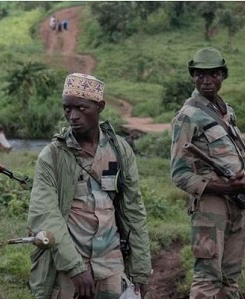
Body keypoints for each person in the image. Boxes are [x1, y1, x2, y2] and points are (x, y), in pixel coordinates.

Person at [27, 73, 152, 299]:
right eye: (67, 109)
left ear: (99, 106)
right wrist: (75, 267)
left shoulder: (120, 151)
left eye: (81, 108)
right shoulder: (52, 156)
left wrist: (141, 269)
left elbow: (133, 210)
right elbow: (44, 214)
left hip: (111, 265)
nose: (72, 116)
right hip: (68, 266)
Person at [170, 47, 245, 299]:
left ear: (223, 75)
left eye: (213, 74)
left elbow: (243, 156)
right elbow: (179, 174)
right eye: (200, 74)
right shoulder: (187, 117)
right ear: (193, 76)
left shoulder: (226, 111)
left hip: (238, 205)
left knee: (230, 282)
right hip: (211, 208)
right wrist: (224, 188)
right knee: (207, 279)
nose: (207, 79)